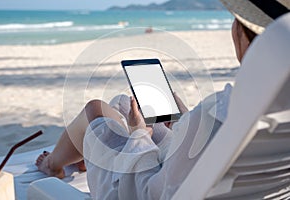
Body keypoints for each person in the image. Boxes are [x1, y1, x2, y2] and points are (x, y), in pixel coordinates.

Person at [36, 0, 290, 199]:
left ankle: (53, 165)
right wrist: (186, 122)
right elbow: (207, 150)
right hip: (207, 177)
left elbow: (145, 189)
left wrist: (138, 133)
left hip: (133, 189)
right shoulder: (257, 110)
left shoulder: (217, 112)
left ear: (244, 40)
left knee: (96, 109)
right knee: (126, 103)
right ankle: (87, 155)